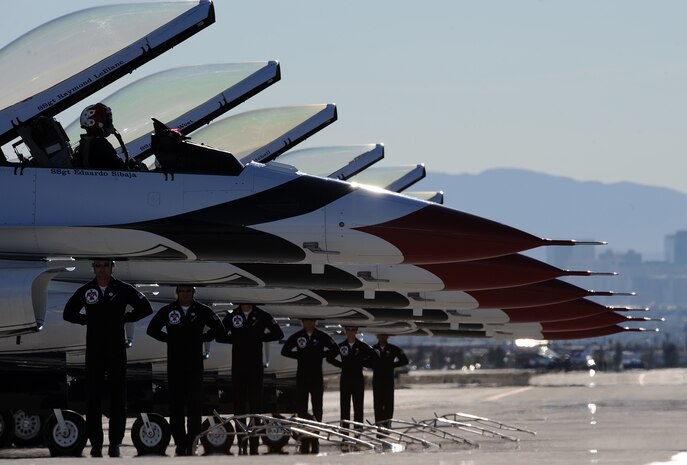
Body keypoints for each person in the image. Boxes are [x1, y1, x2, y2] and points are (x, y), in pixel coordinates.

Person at [63, 259, 153, 458]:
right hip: (94, 350)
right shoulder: (87, 290)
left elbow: (145, 308)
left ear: (112, 267)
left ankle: (115, 443)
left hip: (116, 349)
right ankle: (96, 443)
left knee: (118, 397)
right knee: (92, 397)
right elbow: (68, 313)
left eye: (105, 265)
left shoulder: (122, 289)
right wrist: (89, 320)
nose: (102, 269)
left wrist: (123, 318)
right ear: (93, 268)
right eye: (98, 265)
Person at [146, 285, 225, 456]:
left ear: (193, 293)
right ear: (177, 293)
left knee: (194, 404)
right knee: (176, 404)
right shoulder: (168, 310)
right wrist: (170, 339)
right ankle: (180, 441)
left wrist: (202, 338)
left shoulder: (202, 310)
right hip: (175, 363)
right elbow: (151, 329)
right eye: (182, 291)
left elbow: (219, 329)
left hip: (195, 364)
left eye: (189, 291)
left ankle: (192, 440)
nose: (185, 294)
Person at [217, 303, 283, 455]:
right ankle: (242, 441)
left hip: (255, 367)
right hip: (239, 366)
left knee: (256, 406)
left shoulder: (261, 315)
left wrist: (259, 337)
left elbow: (278, 333)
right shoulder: (233, 316)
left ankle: (254, 442)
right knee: (239, 407)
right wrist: (236, 339)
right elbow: (219, 335)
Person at [280, 318, 338, 454]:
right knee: (302, 409)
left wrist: (320, 355)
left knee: (318, 408)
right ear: (302, 323)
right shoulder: (298, 336)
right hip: (302, 377)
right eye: (306, 321)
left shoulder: (322, 336)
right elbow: (285, 351)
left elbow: (335, 350)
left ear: (315, 322)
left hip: (316, 377)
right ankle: (304, 439)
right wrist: (301, 355)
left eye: (312, 321)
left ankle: (315, 439)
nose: (309, 324)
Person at [327, 326, 374, 433]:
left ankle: (358, 431)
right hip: (345, 378)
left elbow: (374, 357)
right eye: (348, 330)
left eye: (353, 330)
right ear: (345, 331)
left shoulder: (362, 346)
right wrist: (341, 365)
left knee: (358, 406)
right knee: (344, 406)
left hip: (358, 379)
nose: (351, 332)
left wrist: (362, 363)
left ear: (356, 331)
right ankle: (344, 431)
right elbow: (329, 358)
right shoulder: (341, 346)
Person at [370, 334, 409, 428]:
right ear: (377, 337)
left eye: (384, 336)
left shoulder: (393, 349)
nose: (382, 338)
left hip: (388, 380)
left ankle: (387, 426)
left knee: (389, 404)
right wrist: (375, 365)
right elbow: (364, 360)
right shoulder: (372, 349)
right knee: (378, 404)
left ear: (387, 337)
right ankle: (379, 427)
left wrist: (392, 365)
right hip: (377, 380)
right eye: (380, 336)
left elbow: (405, 360)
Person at [73, 103, 126, 169]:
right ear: (93, 122)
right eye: (107, 121)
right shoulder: (99, 144)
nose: (110, 125)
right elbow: (122, 170)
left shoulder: (85, 144)